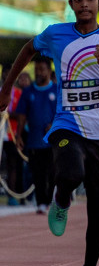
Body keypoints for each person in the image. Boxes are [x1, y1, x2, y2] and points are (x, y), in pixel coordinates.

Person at [0, 0, 99, 266]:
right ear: (70, 3)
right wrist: (7, 86)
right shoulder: (56, 35)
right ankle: (61, 199)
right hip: (66, 124)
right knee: (69, 172)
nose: (84, 4)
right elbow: (29, 50)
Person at [15, 58, 59, 214]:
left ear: (48, 70)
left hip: (53, 142)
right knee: (38, 173)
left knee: (53, 172)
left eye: (41, 69)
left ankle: (49, 198)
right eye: (36, 69)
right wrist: (18, 135)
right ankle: (41, 203)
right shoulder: (28, 92)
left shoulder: (56, 90)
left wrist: (54, 125)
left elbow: (65, 113)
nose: (38, 73)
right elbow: (21, 115)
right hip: (34, 141)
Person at [3, 71, 29, 203]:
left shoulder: (18, 93)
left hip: (14, 134)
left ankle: (15, 196)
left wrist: (8, 114)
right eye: (4, 74)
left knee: (15, 164)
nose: (6, 77)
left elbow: (21, 114)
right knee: (9, 165)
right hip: (3, 135)